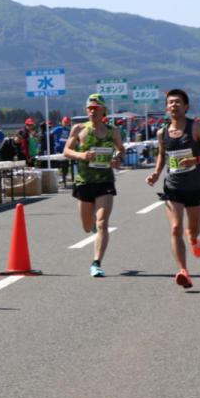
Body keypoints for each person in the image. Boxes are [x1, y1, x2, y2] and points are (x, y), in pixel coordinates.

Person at [146, 89, 200, 289]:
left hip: (195, 186)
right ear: (166, 108)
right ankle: (183, 271)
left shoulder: (195, 128)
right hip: (173, 186)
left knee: (193, 231)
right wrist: (156, 173)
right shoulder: (162, 132)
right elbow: (162, 154)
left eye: (178, 102)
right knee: (175, 228)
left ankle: (193, 239)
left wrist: (196, 160)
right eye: (170, 102)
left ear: (186, 107)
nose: (174, 105)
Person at [64, 94, 125, 277]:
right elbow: (66, 150)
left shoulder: (113, 131)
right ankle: (92, 226)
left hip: (105, 181)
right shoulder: (79, 128)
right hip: (84, 181)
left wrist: (117, 159)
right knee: (87, 226)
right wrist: (81, 155)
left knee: (102, 223)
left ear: (103, 110)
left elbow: (121, 150)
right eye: (89, 108)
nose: (92, 111)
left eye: (96, 108)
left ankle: (96, 263)